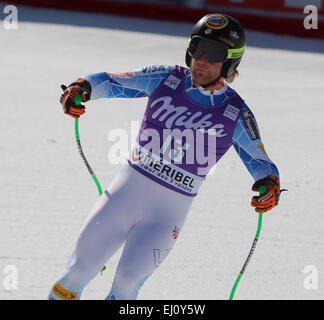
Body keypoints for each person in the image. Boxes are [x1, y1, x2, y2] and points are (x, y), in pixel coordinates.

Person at [48, 13, 283, 300]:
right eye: (197, 48)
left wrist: (269, 185)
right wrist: (82, 88)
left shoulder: (236, 112)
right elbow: (111, 81)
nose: (202, 59)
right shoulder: (166, 78)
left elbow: (262, 164)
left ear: (230, 62)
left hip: (165, 218)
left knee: (125, 284)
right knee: (77, 271)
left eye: (214, 53)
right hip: (122, 199)